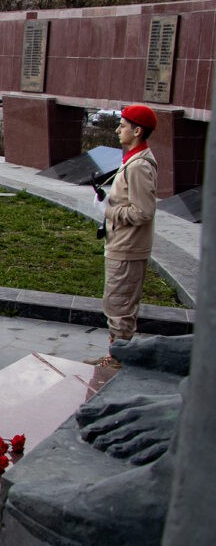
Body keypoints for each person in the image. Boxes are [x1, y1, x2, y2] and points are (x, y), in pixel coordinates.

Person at [85, 104, 159, 370]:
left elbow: (143, 211)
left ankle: (118, 360)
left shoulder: (139, 166)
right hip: (122, 243)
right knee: (116, 303)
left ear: (137, 131)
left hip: (128, 247)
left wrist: (108, 211)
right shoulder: (133, 160)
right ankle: (116, 354)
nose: (118, 130)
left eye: (123, 125)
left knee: (120, 306)